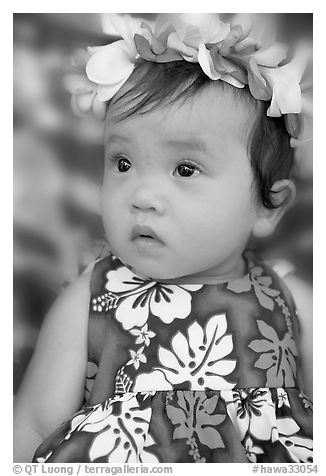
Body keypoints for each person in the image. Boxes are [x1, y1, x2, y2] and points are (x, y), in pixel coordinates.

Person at [13, 13, 313, 463]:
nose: (142, 196)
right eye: (122, 163)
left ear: (269, 206)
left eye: (185, 169)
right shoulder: (93, 294)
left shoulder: (292, 296)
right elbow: (33, 424)